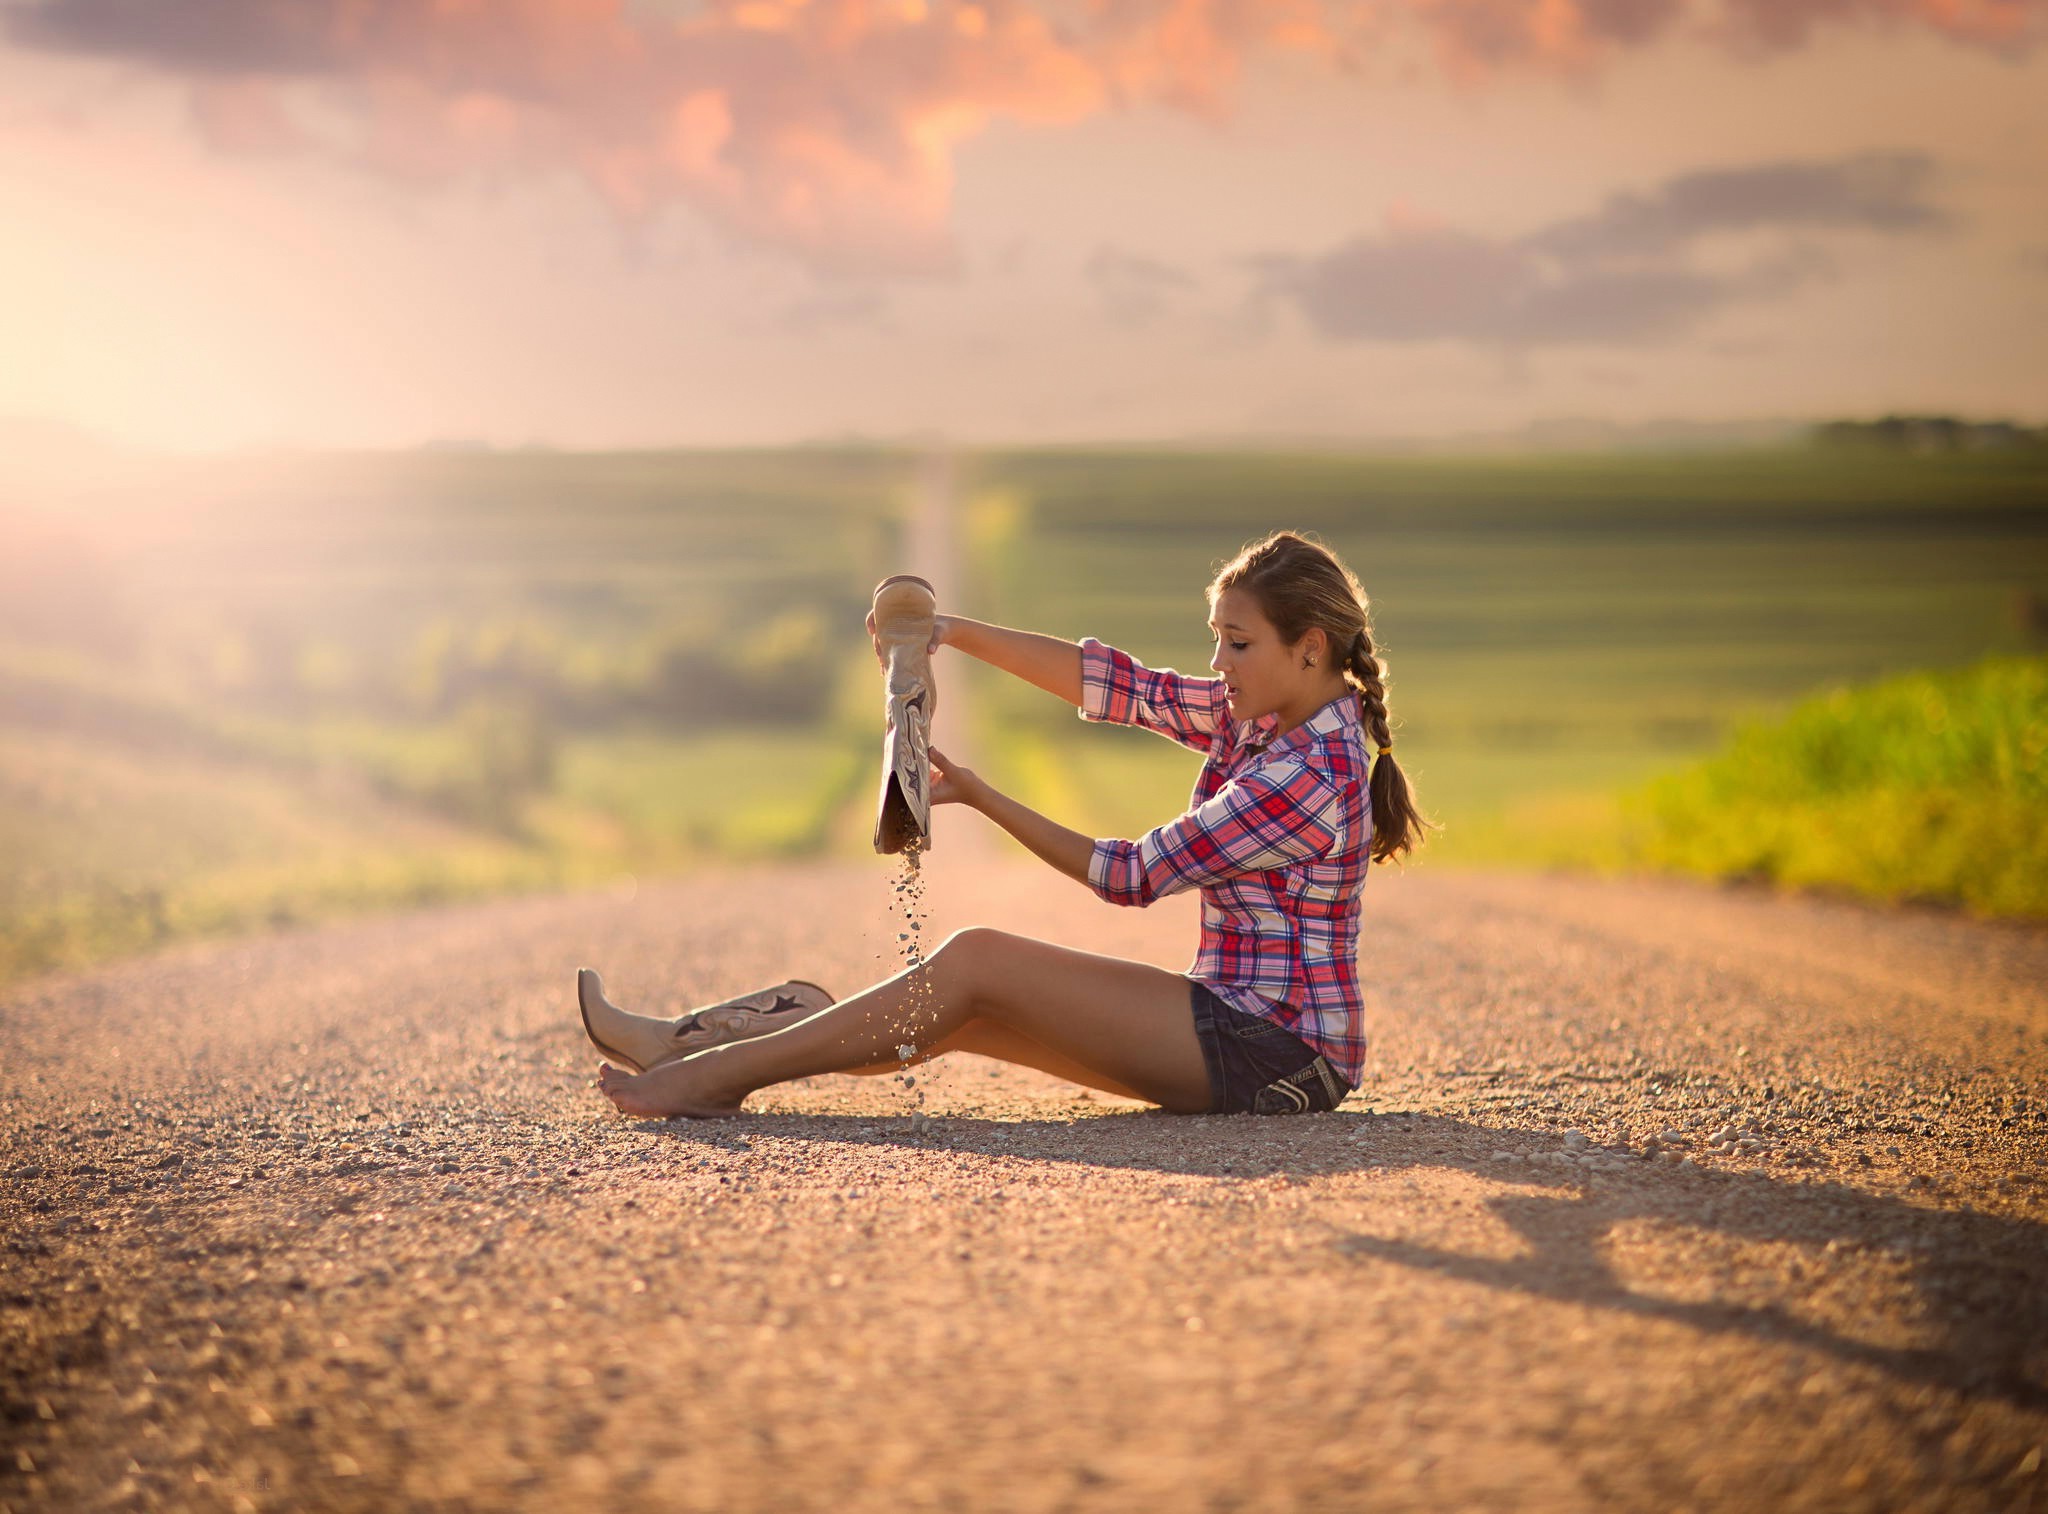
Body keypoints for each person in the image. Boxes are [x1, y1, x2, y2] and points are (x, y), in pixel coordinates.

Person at [584, 530, 1430, 1119]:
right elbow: (1123, 687)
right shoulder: (1270, 714)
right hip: (1238, 1023)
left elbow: (1130, 876)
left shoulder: (1306, 773)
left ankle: (710, 1076)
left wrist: (984, 796)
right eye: (1217, 641)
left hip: (1278, 1051)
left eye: (1236, 644)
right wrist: (946, 633)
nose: (1218, 664)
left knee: (978, 961)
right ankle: (702, 1050)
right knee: (958, 1014)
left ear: (1309, 648)